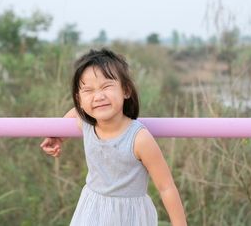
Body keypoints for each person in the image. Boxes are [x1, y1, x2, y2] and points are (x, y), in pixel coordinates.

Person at [40, 48, 187, 226]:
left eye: (106, 86)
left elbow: (166, 187)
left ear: (126, 90)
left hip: (129, 216)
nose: (99, 96)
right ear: (79, 99)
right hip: (92, 210)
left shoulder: (139, 138)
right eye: (88, 91)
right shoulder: (87, 124)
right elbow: (74, 113)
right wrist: (58, 137)